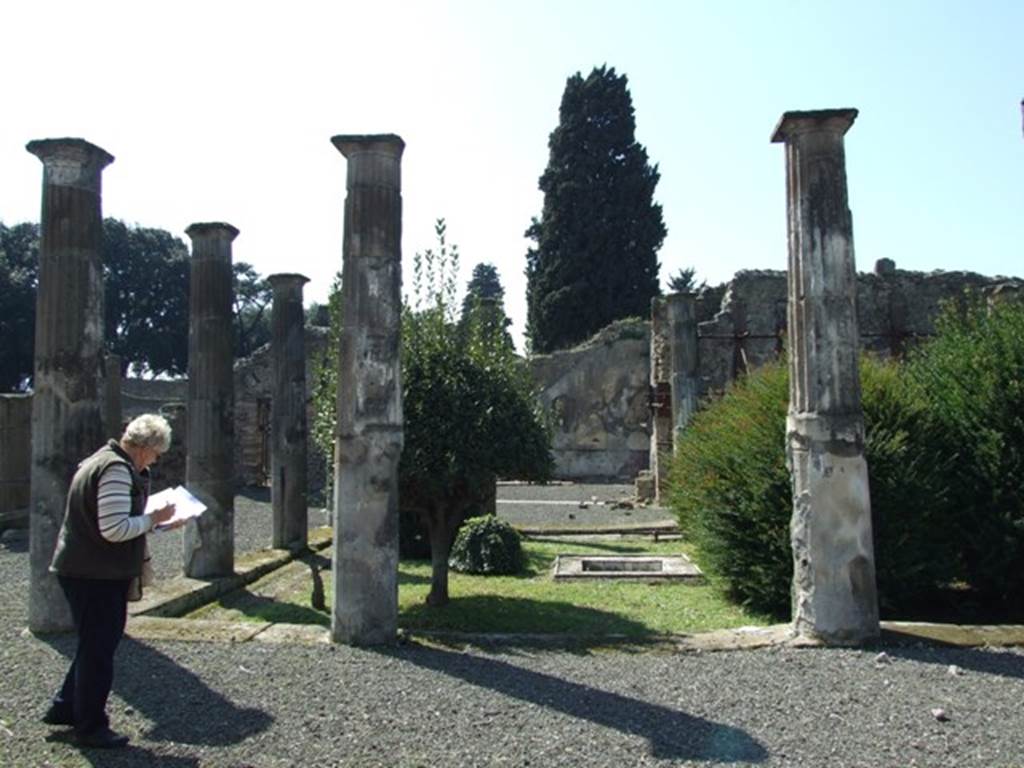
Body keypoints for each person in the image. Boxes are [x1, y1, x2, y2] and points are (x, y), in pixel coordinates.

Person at [42, 413, 181, 749]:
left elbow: (114, 518)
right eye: (155, 452)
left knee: (93, 644)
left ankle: (66, 708)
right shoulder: (116, 470)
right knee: (99, 651)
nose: (156, 459)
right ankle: (90, 727)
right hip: (95, 574)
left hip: (86, 570)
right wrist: (152, 519)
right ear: (145, 446)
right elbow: (115, 529)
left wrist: (156, 523)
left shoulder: (100, 461)